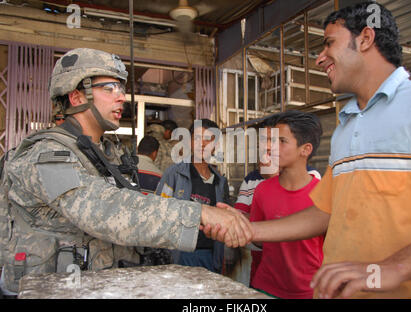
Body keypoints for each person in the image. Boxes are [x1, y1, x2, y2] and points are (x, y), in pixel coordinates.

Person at [207, 2, 411, 299]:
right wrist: (248, 229)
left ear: (365, 39)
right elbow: (324, 213)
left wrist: (389, 269)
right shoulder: (347, 125)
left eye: (330, 43)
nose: (320, 58)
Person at [0, 48, 252, 295]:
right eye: (109, 88)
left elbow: (134, 207)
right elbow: (102, 210)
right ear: (76, 97)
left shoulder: (108, 154)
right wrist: (199, 213)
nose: (121, 97)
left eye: (121, 88)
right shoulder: (46, 156)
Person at [249, 110, 324, 299]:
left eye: (281, 141)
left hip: (310, 291)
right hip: (265, 287)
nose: (271, 148)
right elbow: (257, 239)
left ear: (305, 149)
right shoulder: (262, 190)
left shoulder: (324, 194)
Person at [155, 119, 229, 274]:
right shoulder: (174, 174)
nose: (203, 144)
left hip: (209, 256)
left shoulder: (220, 182)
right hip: (179, 255)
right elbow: (159, 212)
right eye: (197, 138)